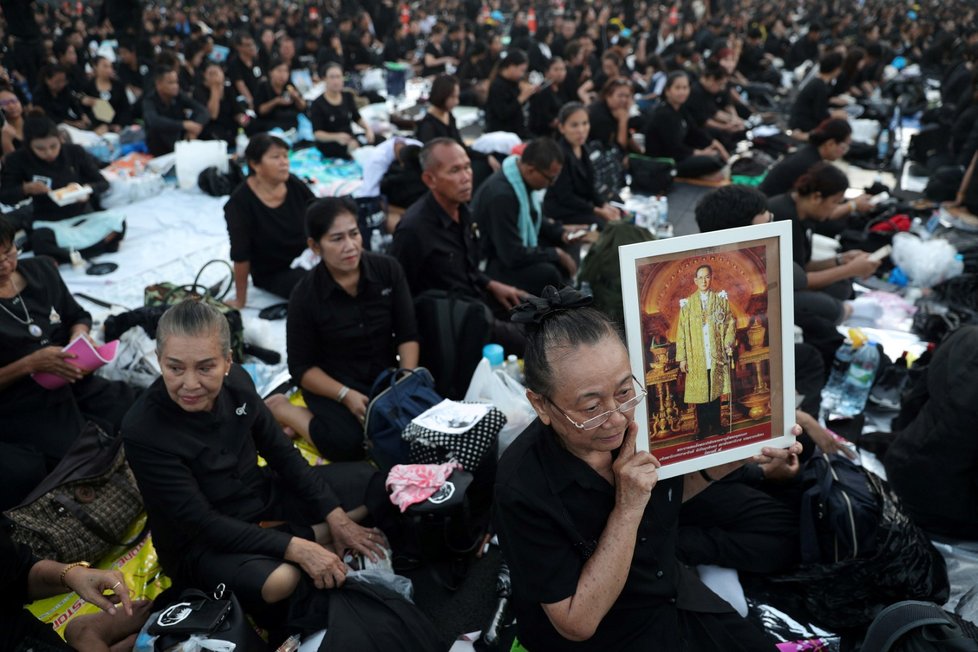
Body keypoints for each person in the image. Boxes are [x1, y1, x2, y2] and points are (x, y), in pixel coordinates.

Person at [494, 285, 798, 651]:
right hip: (611, 632)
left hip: (667, 587)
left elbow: (671, 496)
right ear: (541, 406)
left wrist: (737, 454)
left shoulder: (647, 415)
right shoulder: (523, 485)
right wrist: (627, 507)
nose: (618, 418)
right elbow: (577, 623)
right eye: (591, 409)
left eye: (624, 391)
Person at [122, 300, 392, 624]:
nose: (190, 384)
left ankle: (316, 534)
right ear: (159, 360)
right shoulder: (143, 429)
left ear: (227, 361)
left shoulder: (237, 382)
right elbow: (201, 522)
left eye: (205, 367)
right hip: (202, 543)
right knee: (282, 580)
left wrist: (336, 518)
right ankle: (310, 539)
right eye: (175, 368)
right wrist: (296, 548)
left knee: (370, 481)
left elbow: (283, 454)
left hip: (261, 498)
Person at [266, 197, 419, 461]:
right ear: (315, 246)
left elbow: (407, 334)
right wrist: (344, 394)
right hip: (333, 384)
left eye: (354, 234)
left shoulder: (387, 270)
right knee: (348, 444)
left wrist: (406, 380)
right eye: (337, 239)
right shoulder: (305, 295)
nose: (350, 246)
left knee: (415, 429)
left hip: (383, 375)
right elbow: (301, 368)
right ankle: (284, 409)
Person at [0, 218, 134, 510]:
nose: (6, 264)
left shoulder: (41, 271)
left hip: (75, 379)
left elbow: (78, 315)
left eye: (9, 253)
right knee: (79, 459)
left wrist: (79, 337)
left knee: (135, 411)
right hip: (23, 403)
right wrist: (29, 364)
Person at [390, 138, 527, 353]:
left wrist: (491, 284)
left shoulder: (463, 211)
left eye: (467, 167)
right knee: (536, 343)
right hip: (453, 321)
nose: (466, 177)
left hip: (478, 298)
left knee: (543, 312)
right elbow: (399, 293)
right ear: (430, 179)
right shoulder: (413, 230)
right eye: (454, 171)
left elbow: (468, 269)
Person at [1, 527, 151, 651]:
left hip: (30, 638)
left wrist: (71, 575)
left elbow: (17, 572)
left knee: (80, 630)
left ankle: (86, 633)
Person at [769, 163, 881, 325]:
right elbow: (795, 282)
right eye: (835, 202)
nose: (836, 209)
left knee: (841, 286)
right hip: (773, 293)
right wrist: (849, 269)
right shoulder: (785, 218)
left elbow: (802, 267)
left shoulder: (802, 214)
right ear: (816, 197)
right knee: (833, 309)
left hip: (788, 283)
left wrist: (841, 260)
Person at [472, 137, 579, 295]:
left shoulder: (519, 176)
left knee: (568, 244)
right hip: (490, 261)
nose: (552, 184)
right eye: (550, 178)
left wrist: (561, 233)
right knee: (548, 273)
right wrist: (555, 254)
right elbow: (512, 255)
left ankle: (568, 291)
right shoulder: (502, 196)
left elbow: (533, 217)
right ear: (531, 170)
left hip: (507, 250)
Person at [0, 113, 114, 262]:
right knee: (40, 241)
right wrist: (25, 188)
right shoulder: (17, 160)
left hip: (82, 214)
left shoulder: (74, 152)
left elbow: (103, 183)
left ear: (60, 139)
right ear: (29, 145)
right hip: (48, 220)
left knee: (117, 223)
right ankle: (90, 250)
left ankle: (68, 255)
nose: (49, 153)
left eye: (54, 146)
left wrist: (86, 189)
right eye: (40, 148)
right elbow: (5, 196)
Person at [224, 134, 314, 308]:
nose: (284, 162)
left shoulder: (292, 183)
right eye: (276, 157)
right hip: (275, 272)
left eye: (285, 156)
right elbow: (240, 255)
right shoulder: (239, 204)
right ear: (255, 164)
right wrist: (240, 300)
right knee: (316, 286)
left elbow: (318, 211)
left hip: (307, 255)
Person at [675, 264, 737, 439]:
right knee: (702, 394)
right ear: (695, 281)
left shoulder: (720, 300)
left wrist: (728, 343)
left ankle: (716, 426)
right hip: (697, 356)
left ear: (711, 278)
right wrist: (683, 358)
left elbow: (730, 323)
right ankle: (702, 429)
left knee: (715, 391)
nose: (704, 280)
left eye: (707, 277)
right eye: (700, 277)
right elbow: (681, 333)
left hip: (716, 354)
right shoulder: (687, 305)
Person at [543, 102, 622, 226]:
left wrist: (604, 205)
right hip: (563, 210)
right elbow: (566, 197)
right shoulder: (560, 155)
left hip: (582, 205)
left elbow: (590, 186)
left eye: (585, 123)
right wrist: (597, 211)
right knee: (604, 225)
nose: (581, 130)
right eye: (574, 125)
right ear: (562, 128)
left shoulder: (584, 148)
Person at [644, 71, 729, 180]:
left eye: (685, 88)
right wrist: (701, 153)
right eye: (678, 88)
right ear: (668, 91)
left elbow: (694, 131)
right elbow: (673, 149)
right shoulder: (663, 114)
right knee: (712, 161)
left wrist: (716, 145)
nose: (682, 92)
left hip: (680, 155)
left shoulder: (680, 108)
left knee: (717, 154)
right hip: (664, 162)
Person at [310, 63, 374, 160]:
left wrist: (368, 130)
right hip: (330, 142)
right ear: (324, 79)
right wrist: (336, 137)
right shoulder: (317, 104)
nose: (335, 81)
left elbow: (356, 117)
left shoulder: (347, 96)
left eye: (338, 77)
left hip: (349, 137)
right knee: (352, 148)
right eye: (332, 77)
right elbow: (317, 133)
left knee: (377, 140)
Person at [142, 66, 209, 156]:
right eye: (171, 83)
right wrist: (183, 125)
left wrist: (193, 128)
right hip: (159, 146)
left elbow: (203, 111)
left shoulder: (179, 95)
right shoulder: (149, 100)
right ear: (159, 84)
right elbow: (154, 121)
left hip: (180, 140)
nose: (175, 86)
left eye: (176, 82)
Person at [788, 52, 848, 138]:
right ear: (836, 70)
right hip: (803, 124)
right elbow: (820, 115)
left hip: (800, 120)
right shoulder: (820, 86)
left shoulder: (818, 82)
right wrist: (835, 114)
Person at [485, 48, 536, 139]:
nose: (522, 74)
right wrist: (522, 97)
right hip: (503, 133)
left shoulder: (514, 83)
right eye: (522, 70)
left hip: (518, 130)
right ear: (511, 66)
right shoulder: (497, 86)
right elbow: (503, 114)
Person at [194, 60, 246, 149]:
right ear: (205, 76)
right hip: (211, 127)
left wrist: (243, 119)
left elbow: (238, 111)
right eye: (211, 74)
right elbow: (212, 115)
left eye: (217, 73)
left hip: (229, 124)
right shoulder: (199, 91)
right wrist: (215, 88)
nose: (215, 76)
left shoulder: (228, 89)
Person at [252, 57, 306, 135]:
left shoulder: (289, 85)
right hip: (271, 122)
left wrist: (296, 98)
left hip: (290, 121)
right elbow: (260, 111)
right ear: (270, 72)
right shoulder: (263, 86)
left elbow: (303, 106)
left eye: (285, 71)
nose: (282, 75)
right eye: (279, 71)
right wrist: (276, 101)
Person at [82, 55, 133, 131]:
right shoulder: (88, 86)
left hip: (116, 126)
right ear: (96, 67)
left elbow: (125, 109)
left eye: (110, 67)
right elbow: (83, 108)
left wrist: (120, 125)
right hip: (95, 127)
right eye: (105, 66)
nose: (109, 70)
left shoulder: (118, 86)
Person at [32, 64, 90, 130]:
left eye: (64, 81)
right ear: (47, 80)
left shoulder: (64, 89)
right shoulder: (39, 94)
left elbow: (73, 103)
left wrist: (83, 115)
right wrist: (73, 124)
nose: (62, 84)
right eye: (58, 82)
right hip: (51, 126)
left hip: (68, 120)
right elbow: (48, 117)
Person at [587, 77, 636, 154]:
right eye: (620, 96)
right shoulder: (599, 116)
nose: (624, 100)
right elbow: (620, 148)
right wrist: (623, 121)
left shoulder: (617, 111)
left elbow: (629, 139)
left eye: (627, 96)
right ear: (608, 96)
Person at [415, 74, 464, 144]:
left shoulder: (449, 116)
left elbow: (460, 145)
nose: (457, 102)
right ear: (442, 95)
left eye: (457, 97)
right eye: (452, 97)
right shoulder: (428, 125)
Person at [527, 57, 568, 138]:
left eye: (562, 69)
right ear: (547, 72)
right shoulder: (542, 90)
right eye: (556, 70)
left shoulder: (562, 88)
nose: (560, 73)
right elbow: (543, 118)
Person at [0, 87, 25, 154]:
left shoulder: (33, 123)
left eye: (13, 101)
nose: (11, 106)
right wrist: (6, 142)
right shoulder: (3, 133)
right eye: (4, 103)